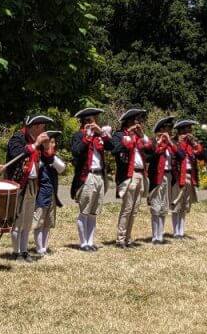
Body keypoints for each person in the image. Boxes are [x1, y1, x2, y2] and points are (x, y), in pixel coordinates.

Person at [6, 114, 53, 261]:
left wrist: (46, 148)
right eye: (42, 127)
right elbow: (16, 154)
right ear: (34, 127)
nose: (43, 131)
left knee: (27, 221)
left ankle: (24, 251)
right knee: (18, 220)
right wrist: (35, 144)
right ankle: (16, 252)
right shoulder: (18, 138)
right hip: (19, 183)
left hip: (33, 183)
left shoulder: (36, 141)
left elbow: (48, 160)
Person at [69, 108, 109, 252]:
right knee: (84, 211)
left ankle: (91, 242)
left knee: (93, 212)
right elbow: (76, 151)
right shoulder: (78, 135)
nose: (94, 123)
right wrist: (87, 137)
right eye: (91, 120)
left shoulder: (100, 136)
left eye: (94, 120)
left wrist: (101, 133)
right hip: (87, 176)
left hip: (99, 175)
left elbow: (112, 146)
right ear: (85, 122)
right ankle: (83, 242)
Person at [111, 108, 151, 249]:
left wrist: (142, 135)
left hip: (141, 174)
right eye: (136, 120)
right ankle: (120, 239)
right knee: (127, 208)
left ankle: (128, 238)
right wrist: (129, 136)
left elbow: (151, 150)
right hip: (129, 175)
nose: (138, 123)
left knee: (134, 210)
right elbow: (115, 149)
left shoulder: (139, 137)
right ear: (129, 122)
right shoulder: (119, 135)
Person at [170, 119, 203, 239]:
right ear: (181, 131)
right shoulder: (176, 143)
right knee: (177, 205)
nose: (189, 133)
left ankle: (181, 231)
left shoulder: (192, 143)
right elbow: (178, 155)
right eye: (187, 130)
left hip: (190, 176)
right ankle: (175, 231)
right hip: (179, 176)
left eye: (190, 130)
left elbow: (200, 154)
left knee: (185, 205)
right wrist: (181, 141)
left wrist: (194, 142)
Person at [33, 131, 65, 256]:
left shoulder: (54, 157)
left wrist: (51, 157)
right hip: (41, 194)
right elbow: (35, 170)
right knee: (39, 223)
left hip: (52, 194)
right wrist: (45, 155)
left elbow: (62, 168)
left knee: (48, 223)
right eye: (49, 142)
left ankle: (44, 247)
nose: (52, 144)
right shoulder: (39, 157)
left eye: (53, 142)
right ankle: (39, 248)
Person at [146, 116, 177, 244]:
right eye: (167, 129)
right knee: (156, 207)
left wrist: (169, 142)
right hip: (157, 177)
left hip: (168, 177)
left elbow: (179, 155)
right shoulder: (153, 142)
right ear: (160, 130)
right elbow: (149, 157)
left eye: (169, 129)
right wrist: (159, 143)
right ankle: (155, 236)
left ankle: (161, 235)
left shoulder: (170, 144)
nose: (169, 131)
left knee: (164, 207)